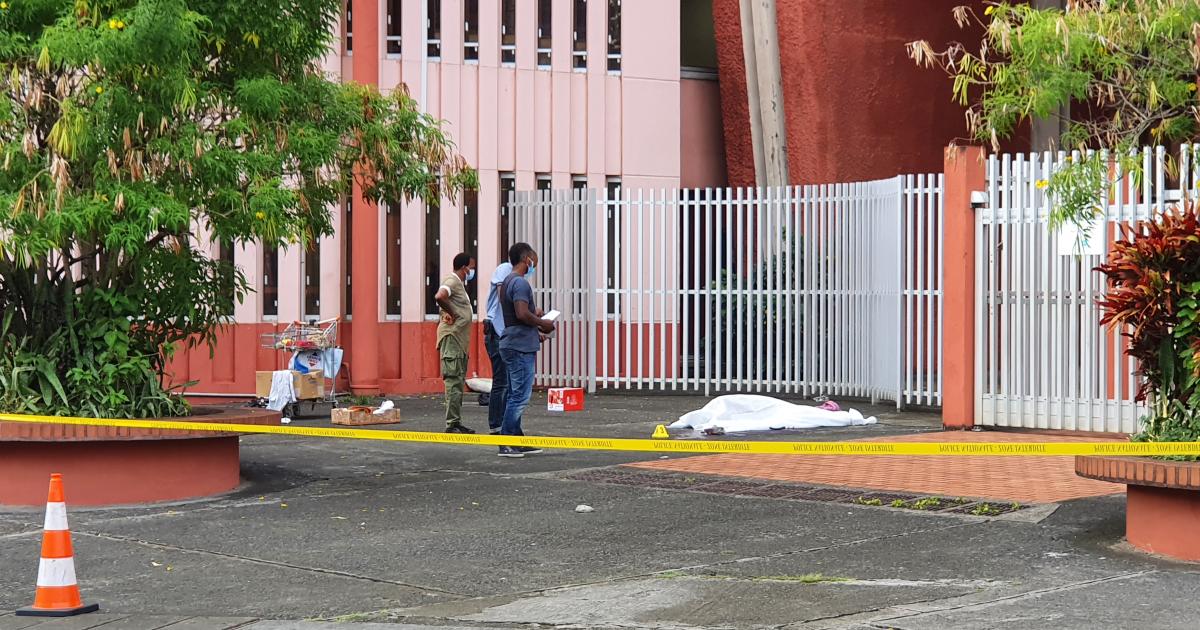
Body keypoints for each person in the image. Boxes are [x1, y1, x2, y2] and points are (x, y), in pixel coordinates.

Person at [497, 242, 555, 458]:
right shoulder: (520, 283)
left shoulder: (507, 282)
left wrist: (534, 313)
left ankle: (516, 438)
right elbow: (521, 313)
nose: (535, 265)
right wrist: (542, 323)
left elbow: (518, 313)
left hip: (513, 342)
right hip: (519, 346)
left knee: (514, 394)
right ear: (527, 258)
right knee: (519, 396)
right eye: (534, 261)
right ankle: (507, 442)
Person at [435, 252, 477, 434]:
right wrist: (452, 312)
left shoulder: (459, 284)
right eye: (472, 268)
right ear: (464, 268)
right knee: (453, 381)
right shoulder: (451, 282)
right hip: (452, 338)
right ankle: (451, 424)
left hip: (459, 340)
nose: (472, 271)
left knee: (458, 381)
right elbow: (440, 296)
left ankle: (456, 421)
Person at [483, 259, 513, 434]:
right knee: (501, 382)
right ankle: (496, 425)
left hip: (504, 333)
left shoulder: (516, 276)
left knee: (507, 383)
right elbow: (504, 298)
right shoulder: (504, 269)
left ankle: (503, 424)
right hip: (496, 332)